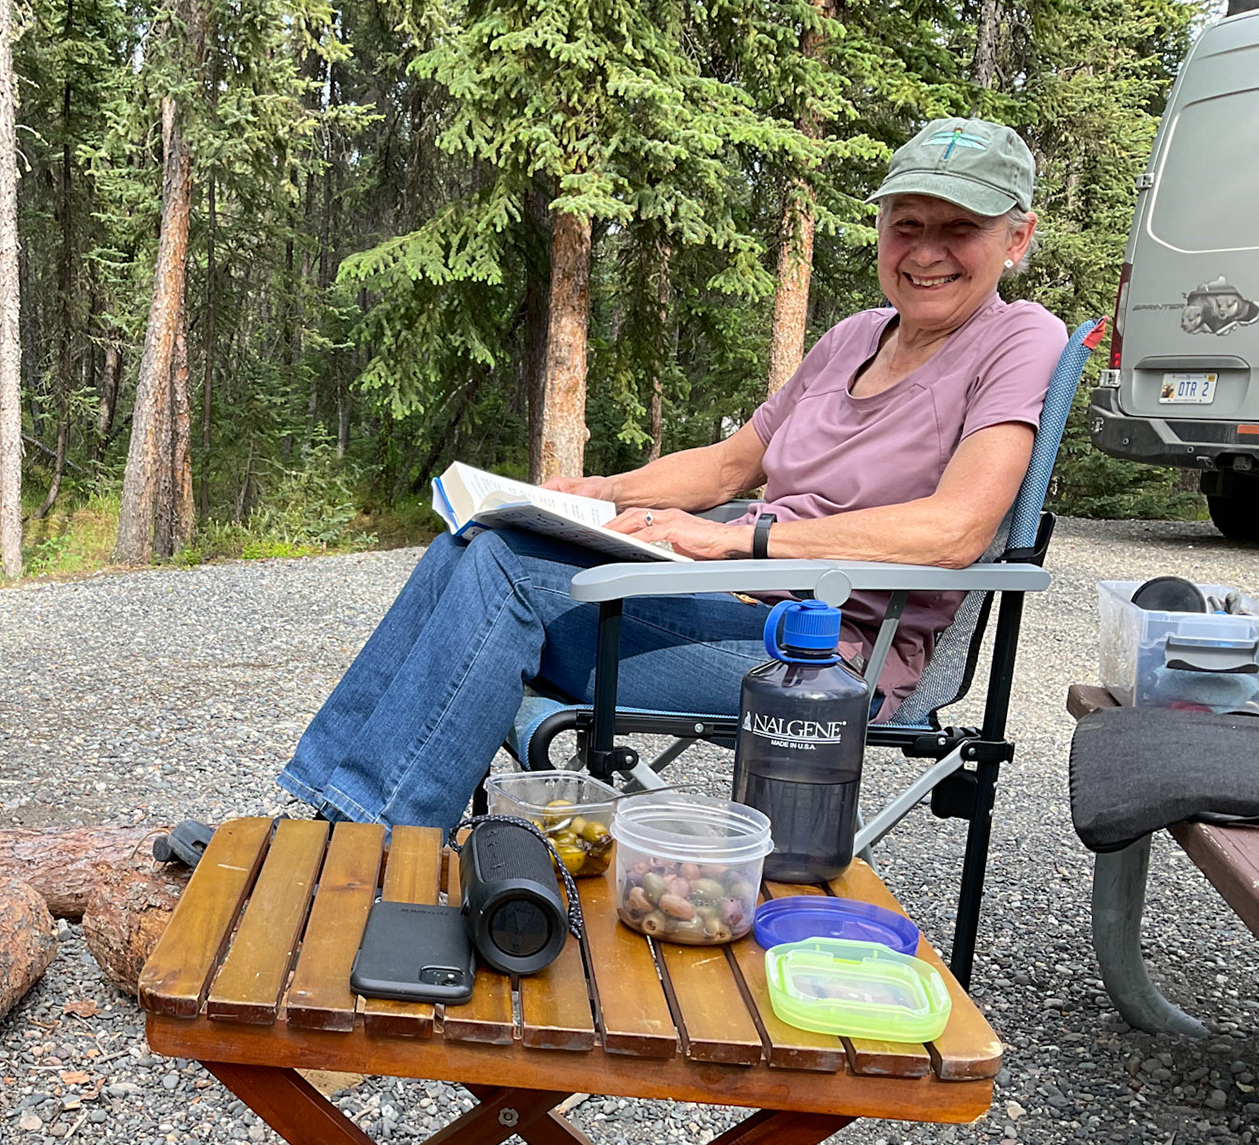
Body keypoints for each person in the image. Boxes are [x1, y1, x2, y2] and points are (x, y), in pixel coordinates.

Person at [279, 117, 1069, 832]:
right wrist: (598, 492)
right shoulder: (855, 336)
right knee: (476, 538)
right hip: (718, 599)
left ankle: (368, 846)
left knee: (503, 575)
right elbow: (731, 464)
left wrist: (743, 543)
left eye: (960, 228)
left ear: (1017, 238)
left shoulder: (1019, 340)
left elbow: (958, 529)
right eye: (907, 226)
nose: (926, 252)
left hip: (819, 653)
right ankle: (333, 814)